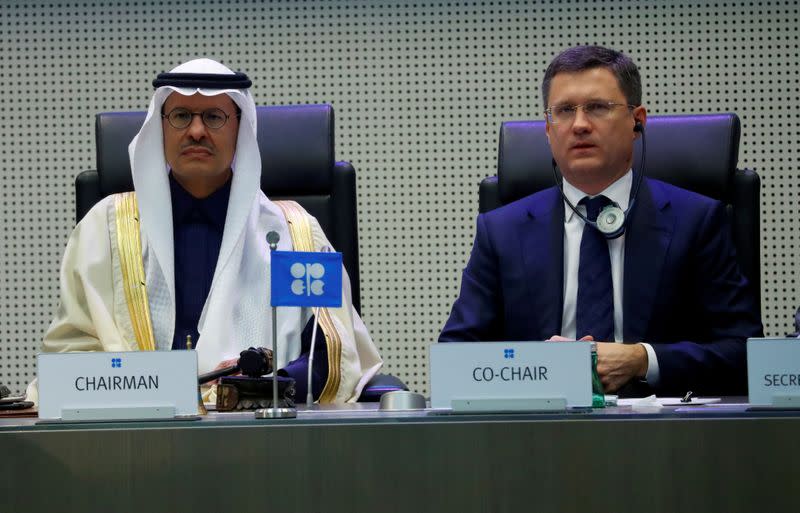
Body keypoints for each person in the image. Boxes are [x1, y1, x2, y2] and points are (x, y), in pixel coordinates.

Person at [27, 58, 382, 404]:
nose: (196, 131)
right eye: (181, 116)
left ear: (240, 127)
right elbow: (70, 353)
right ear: (161, 127)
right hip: (138, 436)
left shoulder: (295, 231)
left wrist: (268, 384)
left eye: (213, 117)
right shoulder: (103, 229)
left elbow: (332, 350)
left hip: (259, 433)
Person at [439, 46, 763, 396]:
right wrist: (535, 365)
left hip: (663, 433)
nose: (579, 125)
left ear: (637, 121)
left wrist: (643, 359)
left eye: (597, 107)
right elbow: (454, 358)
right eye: (564, 111)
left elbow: (745, 354)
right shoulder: (501, 231)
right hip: (539, 432)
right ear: (548, 130)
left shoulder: (697, 221)